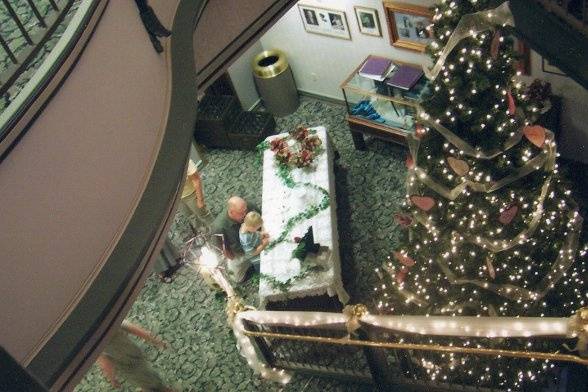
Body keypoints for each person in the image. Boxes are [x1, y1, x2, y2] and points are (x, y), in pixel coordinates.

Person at [97, 321, 173, 391]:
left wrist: (112, 379)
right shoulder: (110, 319)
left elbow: (105, 362)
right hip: (135, 353)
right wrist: (154, 340)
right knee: (150, 378)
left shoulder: (95, 341)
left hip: (126, 365)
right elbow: (132, 328)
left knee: (153, 386)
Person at [212, 196, 259, 282]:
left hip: (256, 239)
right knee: (237, 278)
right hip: (240, 252)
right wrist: (232, 257)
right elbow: (221, 248)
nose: (245, 214)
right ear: (231, 212)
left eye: (246, 211)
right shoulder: (219, 227)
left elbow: (262, 218)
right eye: (241, 213)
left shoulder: (247, 206)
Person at [180, 159, 212, 231]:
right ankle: (202, 230)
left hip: (191, 194)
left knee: (204, 214)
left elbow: (196, 180)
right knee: (190, 216)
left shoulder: (184, 160)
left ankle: (216, 232)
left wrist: (200, 200)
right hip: (177, 198)